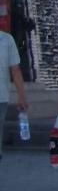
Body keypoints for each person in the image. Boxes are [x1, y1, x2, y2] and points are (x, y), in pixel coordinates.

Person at [0, 27, 27, 162]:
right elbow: (15, 70)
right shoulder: (6, 39)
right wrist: (21, 97)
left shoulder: (7, 40)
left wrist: (21, 96)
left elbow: (15, 70)